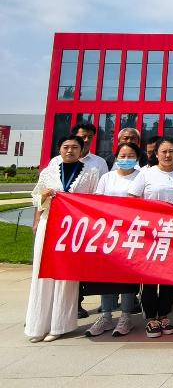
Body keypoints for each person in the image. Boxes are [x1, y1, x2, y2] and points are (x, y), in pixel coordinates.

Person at [26, 135, 100, 342]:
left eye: (75, 147)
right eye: (66, 147)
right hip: (49, 224)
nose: (70, 151)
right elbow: (35, 198)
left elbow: (95, 199)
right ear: (59, 149)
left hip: (74, 228)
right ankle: (37, 325)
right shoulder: (49, 172)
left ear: (81, 150)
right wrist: (44, 197)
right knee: (42, 271)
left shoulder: (90, 172)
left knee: (66, 275)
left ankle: (60, 325)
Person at [129, 137, 173, 338]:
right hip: (150, 233)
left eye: (171, 151)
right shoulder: (146, 174)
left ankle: (164, 315)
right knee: (148, 277)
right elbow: (132, 199)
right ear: (156, 154)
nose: (167, 155)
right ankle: (150, 318)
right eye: (163, 151)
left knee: (169, 277)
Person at [85, 143, 142, 338]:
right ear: (116, 157)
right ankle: (106, 315)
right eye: (122, 155)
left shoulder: (141, 176)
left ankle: (126, 316)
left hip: (131, 233)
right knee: (107, 275)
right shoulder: (107, 177)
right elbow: (97, 203)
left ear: (137, 157)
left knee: (127, 276)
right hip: (108, 233)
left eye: (131, 155)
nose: (126, 159)